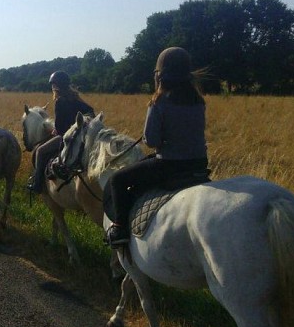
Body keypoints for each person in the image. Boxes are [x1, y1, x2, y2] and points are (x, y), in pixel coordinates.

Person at [103, 47, 208, 247]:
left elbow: (151, 141)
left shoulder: (159, 102)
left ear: (160, 75)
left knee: (117, 180)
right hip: (198, 164)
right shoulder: (197, 100)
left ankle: (120, 228)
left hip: (170, 165)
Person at [26, 71, 94, 194]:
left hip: (65, 137)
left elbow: (60, 129)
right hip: (81, 136)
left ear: (56, 86)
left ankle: (37, 184)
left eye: (53, 85)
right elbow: (91, 111)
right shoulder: (76, 98)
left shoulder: (60, 101)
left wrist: (54, 131)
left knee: (40, 152)